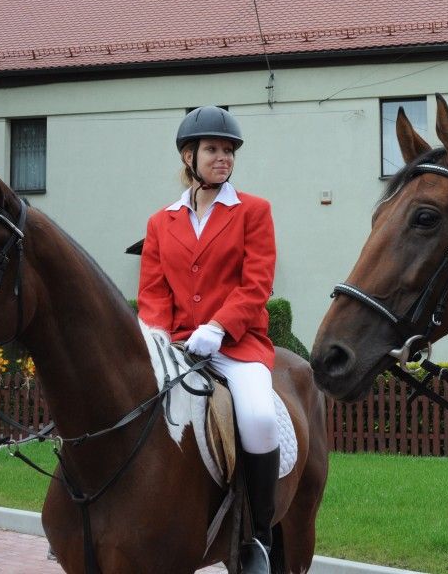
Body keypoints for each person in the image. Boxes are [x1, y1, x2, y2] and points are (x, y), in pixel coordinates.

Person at [137, 106, 279, 574]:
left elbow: (256, 283)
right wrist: (156, 339)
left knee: (258, 417)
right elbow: (153, 292)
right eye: (213, 150)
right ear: (189, 156)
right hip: (176, 347)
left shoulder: (253, 211)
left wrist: (219, 327)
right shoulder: (162, 222)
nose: (223, 158)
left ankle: (257, 538)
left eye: (229, 150)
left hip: (238, 345)